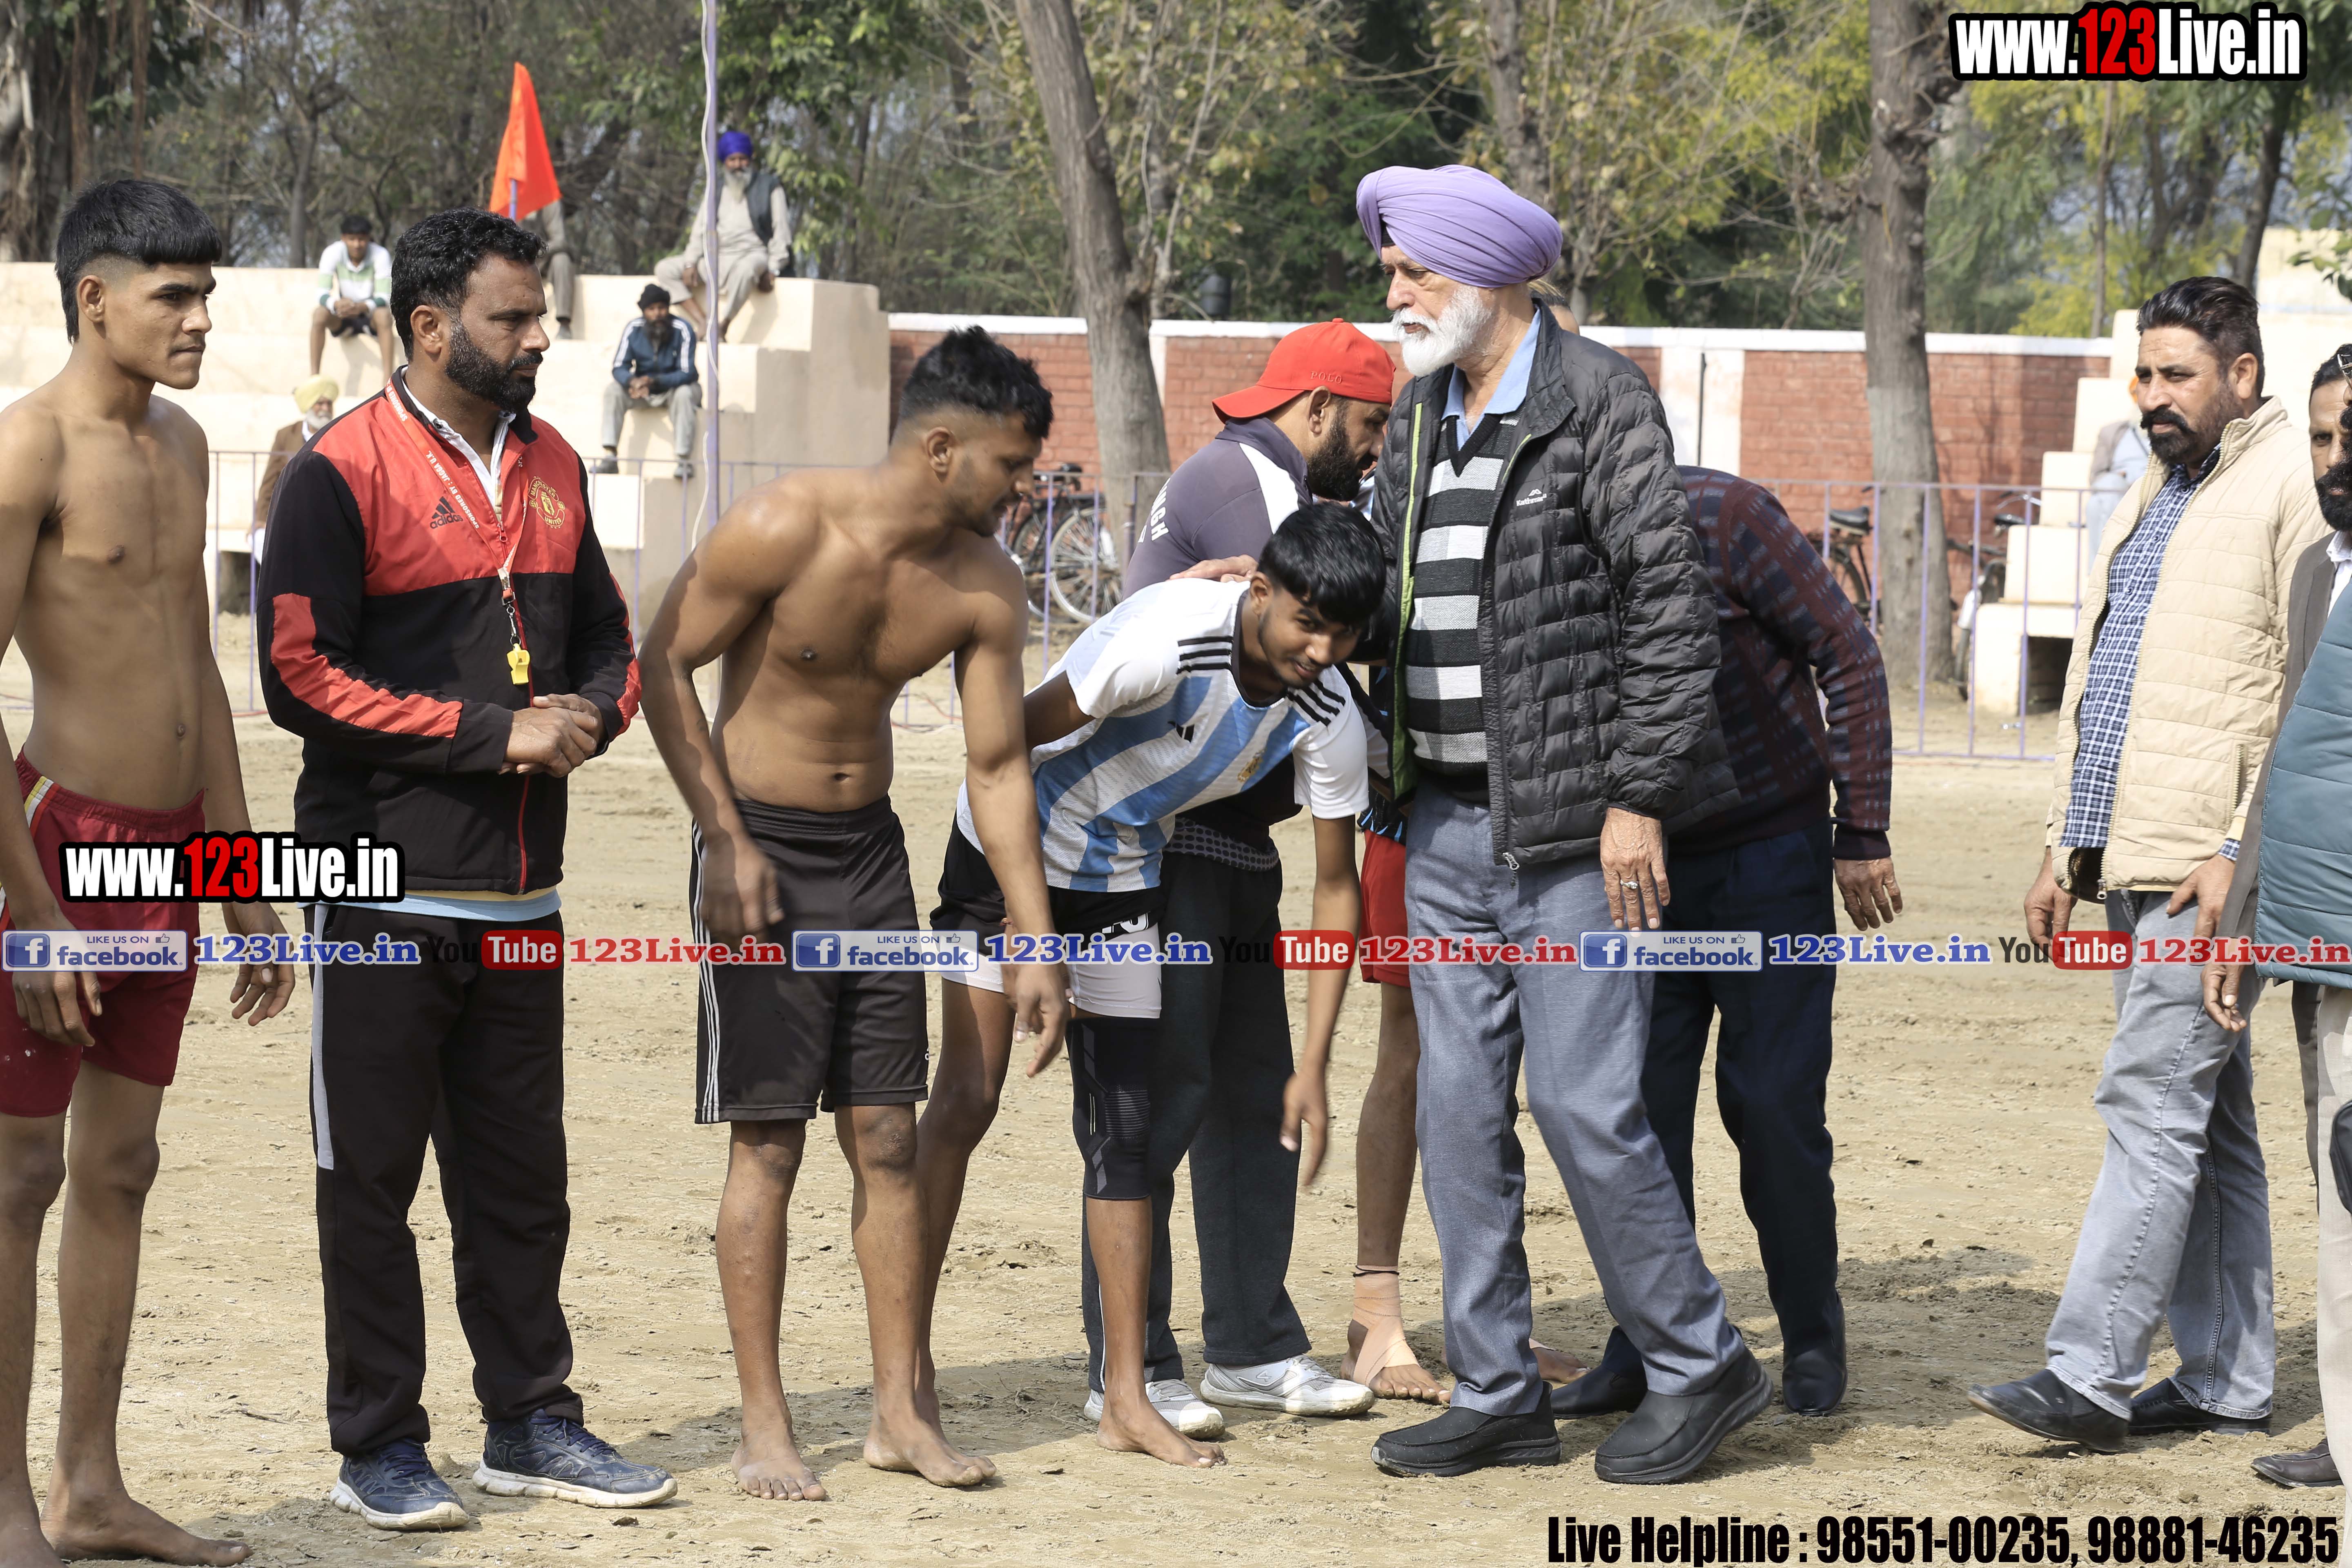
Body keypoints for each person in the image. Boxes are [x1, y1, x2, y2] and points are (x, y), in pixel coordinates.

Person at [1348, 164, 1763, 1486]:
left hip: (1581, 839)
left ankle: (1702, 1362)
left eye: (1415, 271)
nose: (1396, 292)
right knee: (1458, 1113)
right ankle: (1496, 1390)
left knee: (1586, 1108)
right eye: (1391, 270)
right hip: (1440, 830)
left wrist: (1636, 796)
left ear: (1492, 277)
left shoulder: (1599, 399)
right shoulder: (1419, 414)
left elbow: (1668, 611)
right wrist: (1281, 580)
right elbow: (1377, 576)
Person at [258, 208, 669, 1531]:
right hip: (380, 889)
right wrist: (497, 735)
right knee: (371, 1182)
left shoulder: (557, 461)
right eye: (514, 317)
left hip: (525, 896)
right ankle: (379, 1443)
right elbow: (298, 676)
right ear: (430, 327)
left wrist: (595, 713)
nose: (541, 336)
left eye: (540, 314)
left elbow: (613, 644)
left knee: (520, 1182)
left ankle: (533, 1421)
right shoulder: (338, 469)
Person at [635, 326, 1069, 1502]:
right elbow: (662, 663)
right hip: (760, 851)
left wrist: (1034, 938)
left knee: (886, 1133)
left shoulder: (984, 585)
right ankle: (764, 1424)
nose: (1023, 489)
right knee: (770, 1140)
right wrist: (722, 838)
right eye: (1011, 466)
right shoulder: (784, 524)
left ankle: (897, 1414)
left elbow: (997, 768)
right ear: (941, 449)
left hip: (872, 856)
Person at [1000, 320, 1395, 1439]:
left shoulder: (1293, 537)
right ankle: (1133, 1362)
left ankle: (1253, 1347)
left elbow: (1322, 663)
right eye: (1369, 423)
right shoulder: (1251, 482)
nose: (1375, 448)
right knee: (1153, 1104)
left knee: (1258, 1094)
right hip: (1147, 848)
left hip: (1235, 843)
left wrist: (1319, 1059)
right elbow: (1025, 736)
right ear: (1318, 406)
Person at [923, 503, 1378, 1470]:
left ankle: (1125, 1395)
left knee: (1127, 1132)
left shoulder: (1329, 710)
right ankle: (905, 1371)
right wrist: (1029, 929)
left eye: (1342, 635)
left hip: (1125, 877)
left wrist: (1312, 1063)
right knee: (966, 1101)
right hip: (1002, 861)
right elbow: (1003, 746)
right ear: (1261, 590)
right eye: (1307, 623)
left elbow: (1337, 887)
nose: (1321, 651)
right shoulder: (1162, 640)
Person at [1969, 277, 2327, 1454]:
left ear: (2242, 375)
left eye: (2177, 375)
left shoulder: (2289, 487)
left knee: (2149, 1101)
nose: (2151, 395)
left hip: (2205, 870)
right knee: (2205, 1122)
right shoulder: (2158, 484)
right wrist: (2062, 846)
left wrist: (2236, 850)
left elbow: (2303, 691)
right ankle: (2225, 1377)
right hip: (2129, 852)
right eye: (2143, 374)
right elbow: (2109, 678)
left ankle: (2090, 1370)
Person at [0, 178, 294, 1568]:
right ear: (93, 298)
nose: (198, 320)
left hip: (171, 856)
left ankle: (91, 1488)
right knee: (19, 1180)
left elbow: (197, 672)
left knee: (122, 1167)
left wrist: (242, 874)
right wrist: (35, 917)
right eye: (173, 295)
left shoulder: (181, 446)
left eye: (206, 295)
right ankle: (7, 1507)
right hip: (54, 854)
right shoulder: (29, 448)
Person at [1557, 467, 1895, 1425]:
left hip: (1767, 858)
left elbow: (1846, 651)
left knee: (1773, 1105)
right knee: (1637, 1112)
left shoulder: (1730, 516)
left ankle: (1811, 1334)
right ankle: (1646, 1343)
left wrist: (1860, 825)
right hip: (1636, 867)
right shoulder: (1549, 536)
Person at [2203, 347, 2352, 1492]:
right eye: (2320, 436)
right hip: (2317, 942)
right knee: (2338, 1184)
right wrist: (2243, 915)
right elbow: (2286, 757)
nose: (2334, 460)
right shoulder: (2318, 569)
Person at [653, 132, 793, 343]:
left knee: (747, 271)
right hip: (717, 257)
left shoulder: (770, 186)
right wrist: (691, 262)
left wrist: (774, 269)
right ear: (725, 162)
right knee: (665, 269)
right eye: (732, 160)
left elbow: (781, 230)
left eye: (743, 159)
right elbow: (700, 229)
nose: (738, 165)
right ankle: (703, 322)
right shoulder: (715, 188)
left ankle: (723, 325)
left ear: (751, 159)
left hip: (753, 254)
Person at [592, 284, 700, 482]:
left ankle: (683, 461)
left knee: (686, 393)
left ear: (668, 308)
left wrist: (654, 381)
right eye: (652, 309)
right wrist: (633, 382)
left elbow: (687, 373)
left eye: (662, 308)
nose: (657, 314)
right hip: (643, 392)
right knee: (613, 390)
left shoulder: (683, 329)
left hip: (673, 390)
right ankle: (610, 456)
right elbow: (619, 367)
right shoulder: (634, 328)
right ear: (644, 311)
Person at [252, 375, 339, 562]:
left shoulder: (339, 434)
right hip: (289, 515)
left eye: (329, 404)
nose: (325, 409)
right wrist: (261, 519)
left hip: (325, 516)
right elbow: (270, 480)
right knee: (260, 540)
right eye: (320, 403)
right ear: (309, 405)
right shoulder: (286, 435)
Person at [310, 214, 395, 383]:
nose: (357, 244)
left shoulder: (380, 254)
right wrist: (336, 304)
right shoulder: (332, 253)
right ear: (344, 239)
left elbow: (385, 297)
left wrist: (361, 307)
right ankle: (314, 380)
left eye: (361, 239)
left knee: (384, 315)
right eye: (352, 239)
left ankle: (387, 382)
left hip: (370, 316)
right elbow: (321, 294)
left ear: (369, 238)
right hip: (343, 318)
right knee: (319, 314)